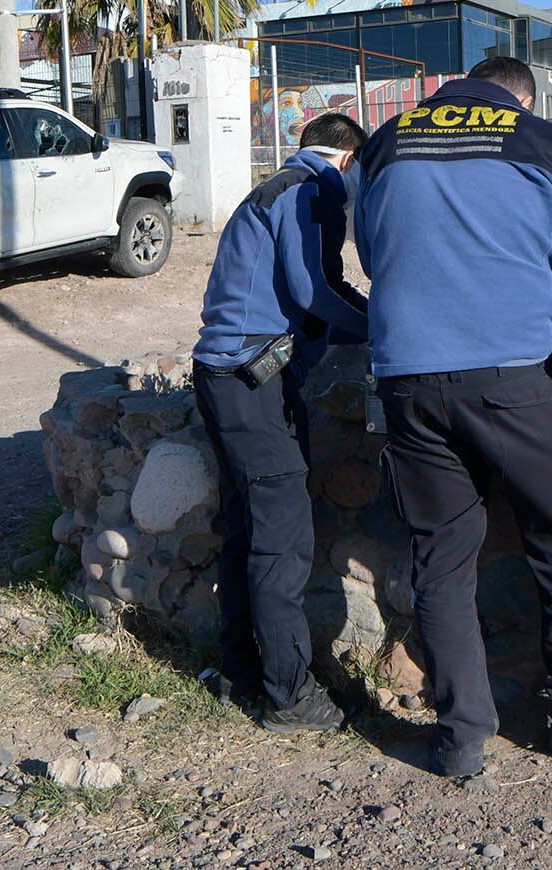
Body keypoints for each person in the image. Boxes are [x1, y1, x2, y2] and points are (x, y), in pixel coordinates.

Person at [354, 56, 552, 779]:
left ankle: (463, 733)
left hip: (406, 377)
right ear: (522, 98)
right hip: (513, 381)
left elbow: (375, 255)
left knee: (441, 555)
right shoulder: (544, 142)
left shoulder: (386, 140)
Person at [192, 112, 371, 733]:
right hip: (251, 380)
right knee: (283, 538)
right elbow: (316, 292)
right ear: (348, 160)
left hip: (226, 376)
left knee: (247, 527)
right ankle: (289, 695)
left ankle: (242, 669)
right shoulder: (312, 190)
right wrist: (387, 328)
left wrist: (361, 313)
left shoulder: (275, 184)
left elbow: (324, 289)